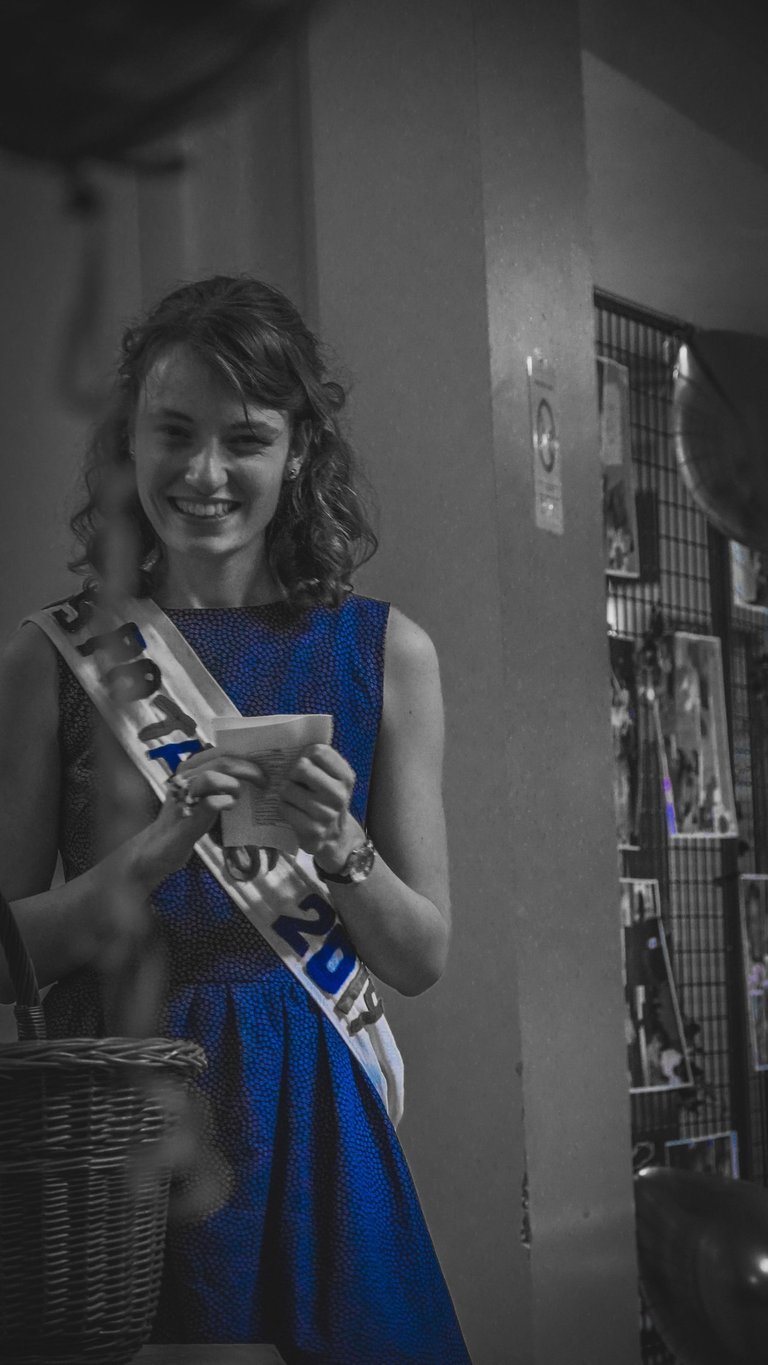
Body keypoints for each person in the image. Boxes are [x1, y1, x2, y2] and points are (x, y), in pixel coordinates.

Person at [0, 276, 471, 1365]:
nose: (204, 474)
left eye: (246, 438)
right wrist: (147, 859)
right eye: (174, 432)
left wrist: (342, 850)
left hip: (310, 1107)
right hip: (118, 1119)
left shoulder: (385, 653)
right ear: (130, 438)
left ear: (299, 451)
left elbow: (421, 955)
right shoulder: (48, 658)